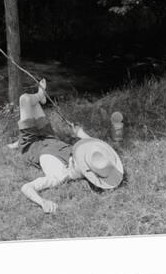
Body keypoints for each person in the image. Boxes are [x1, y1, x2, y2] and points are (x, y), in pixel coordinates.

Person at [8, 79, 124, 213]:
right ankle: (38, 100)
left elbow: (26, 187)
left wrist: (43, 202)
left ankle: (39, 98)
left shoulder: (58, 176)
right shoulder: (83, 159)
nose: (81, 154)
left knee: (25, 100)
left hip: (30, 144)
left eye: (81, 158)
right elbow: (96, 146)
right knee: (32, 105)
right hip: (48, 136)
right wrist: (81, 133)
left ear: (85, 169)